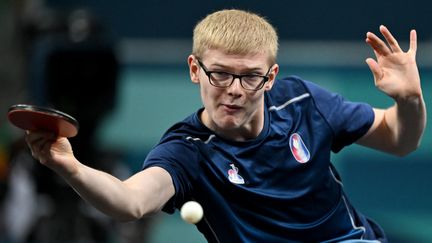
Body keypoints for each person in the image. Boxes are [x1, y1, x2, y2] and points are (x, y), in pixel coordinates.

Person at [25, 9, 426, 242]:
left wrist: (409, 100)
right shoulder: (188, 151)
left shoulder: (304, 103)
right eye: (219, 74)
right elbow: (130, 202)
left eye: (250, 77)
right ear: (195, 70)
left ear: (270, 78)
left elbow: (399, 139)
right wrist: (69, 166)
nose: (233, 90)